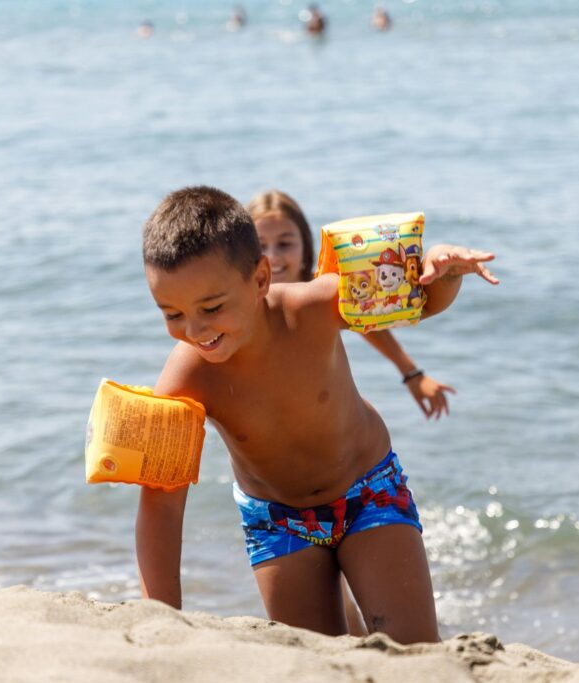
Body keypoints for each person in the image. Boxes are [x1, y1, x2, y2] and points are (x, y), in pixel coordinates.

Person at [138, 186, 497, 643]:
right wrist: (162, 619)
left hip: (368, 491)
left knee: (415, 651)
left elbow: (418, 303)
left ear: (261, 278)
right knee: (319, 658)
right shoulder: (184, 379)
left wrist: (445, 273)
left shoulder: (311, 307)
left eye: (211, 308)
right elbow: (161, 503)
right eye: (171, 314)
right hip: (277, 521)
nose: (194, 330)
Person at [247, 190, 454, 420]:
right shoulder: (240, 308)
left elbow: (365, 317)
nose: (272, 256)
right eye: (260, 246)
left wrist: (412, 374)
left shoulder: (322, 296)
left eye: (284, 244)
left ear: (305, 247)